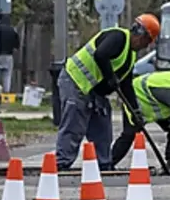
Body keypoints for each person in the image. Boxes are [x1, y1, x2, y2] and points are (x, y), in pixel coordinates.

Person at [55, 14, 161, 171]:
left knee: (102, 127)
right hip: (76, 81)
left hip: (95, 91)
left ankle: (103, 163)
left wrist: (135, 111)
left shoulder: (130, 55)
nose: (145, 47)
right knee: (74, 124)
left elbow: (126, 85)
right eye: (147, 42)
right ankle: (62, 163)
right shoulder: (118, 37)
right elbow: (101, 54)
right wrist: (110, 77)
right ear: (142, 36)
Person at [0, 16, 20, 94]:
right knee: (7, 76)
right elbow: (17, 45)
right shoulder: (13, 30)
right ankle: (6, 93)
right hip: (8, 56)